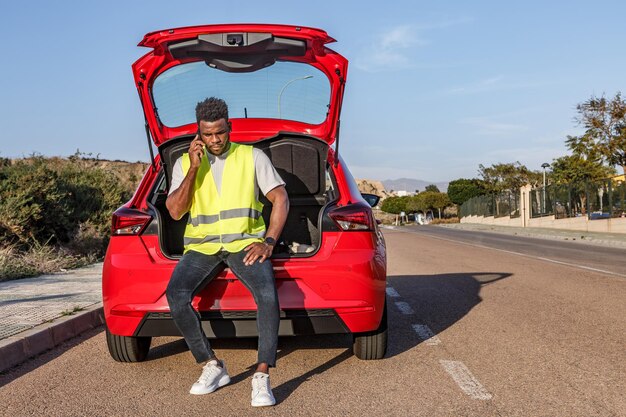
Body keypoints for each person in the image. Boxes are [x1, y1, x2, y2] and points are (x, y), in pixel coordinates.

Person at [165, 97, 289, 407]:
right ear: (199, 134)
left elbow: (281, 198)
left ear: (229, 127)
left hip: (244, 243)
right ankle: (211, 365)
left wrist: (269, 241)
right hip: (203, 246)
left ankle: (262, 376)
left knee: (267, 294)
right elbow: (176, 212)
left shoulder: (252, 156)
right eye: (208, 134)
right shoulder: (183, 163)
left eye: (220, 132)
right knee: (176, 294)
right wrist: (194, 168)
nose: (215, 140)